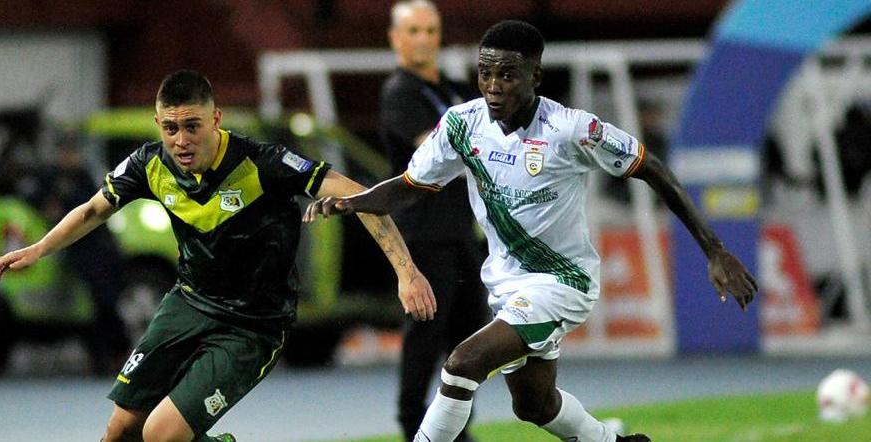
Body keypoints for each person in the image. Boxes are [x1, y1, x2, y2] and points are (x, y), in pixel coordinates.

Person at [305, 20, 758, 442]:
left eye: (507, 75)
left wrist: (714, 250)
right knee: (534, 404)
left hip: (562, 282)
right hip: (506, 283)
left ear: (535, 76)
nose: (493, 86)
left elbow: (650, 167)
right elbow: (410, 186)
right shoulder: (463, 125)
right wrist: (353, 202)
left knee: (462, 364)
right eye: (486, 74)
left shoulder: (572, 129)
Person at [0, 69, 437, 442]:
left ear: (216, 119)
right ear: (158, 124)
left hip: (252, 325)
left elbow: (361, 197)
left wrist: (407, 272)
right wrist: (38, 249)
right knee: (120, 431)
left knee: (160, 435)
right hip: (187, 306)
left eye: (192, 126)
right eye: (170, 128)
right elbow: (92, 210)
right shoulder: (149, 164)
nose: (181, 140)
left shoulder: (261, 163)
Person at [379, 2, 489, 441]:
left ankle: (458, 429)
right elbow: (440, 152)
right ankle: (412, 425)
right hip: (423, 235)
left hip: (463, 233)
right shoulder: (400, 92)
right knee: (424, 338)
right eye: (414, 31)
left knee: (469, 342)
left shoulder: (455, 88)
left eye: (430, 30)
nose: (424, 39)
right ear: (396, 39)